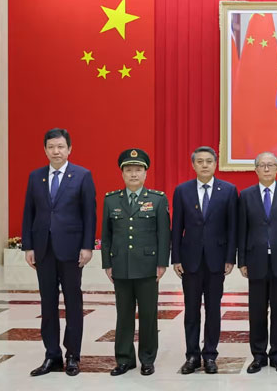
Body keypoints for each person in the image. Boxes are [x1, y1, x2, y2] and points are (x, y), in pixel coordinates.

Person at [22, 128, 96, 377]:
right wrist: (28, 246)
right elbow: (29, 213)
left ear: (69, 149)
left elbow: (89, 214)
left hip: (72, 250)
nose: (56, 151)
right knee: (48, 302)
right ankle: (52, 355)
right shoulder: (36, 177)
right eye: (51, 146)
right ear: (45, 149)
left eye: (61, 146)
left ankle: (73, 355)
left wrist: (87, 246)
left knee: (73, 302)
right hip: (43, 249)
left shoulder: (82, 176)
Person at [101, 149, 170, 376]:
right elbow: (107, 235)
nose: (133, 174)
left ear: (145, 173)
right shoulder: (111, 200)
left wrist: (162, 263)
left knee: (149, 315)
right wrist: (106, 263)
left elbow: (163, 234)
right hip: (121, 266)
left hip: (148, 267)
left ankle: (147, 358)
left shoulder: (158, 199)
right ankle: (124, 359)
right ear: (122, 173)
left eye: (138, 170)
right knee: (124, 314)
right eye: (128, 170)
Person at [171, 146, 238, 375]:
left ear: (216, 164)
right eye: (200, 161)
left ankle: (210, 355)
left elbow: (232, 228)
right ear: (193, 165)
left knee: (213, 309)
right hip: (190, 261)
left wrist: (230, 257)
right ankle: (192, 356)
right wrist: (176, 257)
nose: (205, 165)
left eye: (209, 161)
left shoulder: (228, 190)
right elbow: (176, 226)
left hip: (216, 260)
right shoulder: (182, 190)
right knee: (191, 310)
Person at [237, 152, 277, 374]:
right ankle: (258, 355)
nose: (266, 169)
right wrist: (242, 261)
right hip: (255, 260)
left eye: (270, 165)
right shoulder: (245, 195)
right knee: (256, 310)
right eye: (262, 165)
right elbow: (242, 230)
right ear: (255, 170)